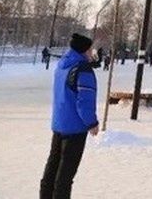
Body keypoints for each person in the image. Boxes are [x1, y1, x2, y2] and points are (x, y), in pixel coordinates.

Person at [40, 33, 100, 199]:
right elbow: (84, 101)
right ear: (84, 50)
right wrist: (91, 123)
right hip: (75, 128)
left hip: (59, 123)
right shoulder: (82, 69)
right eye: (90, 49)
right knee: (65, 177)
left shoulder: (62, 65)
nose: (91, 52)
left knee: (52, 169)